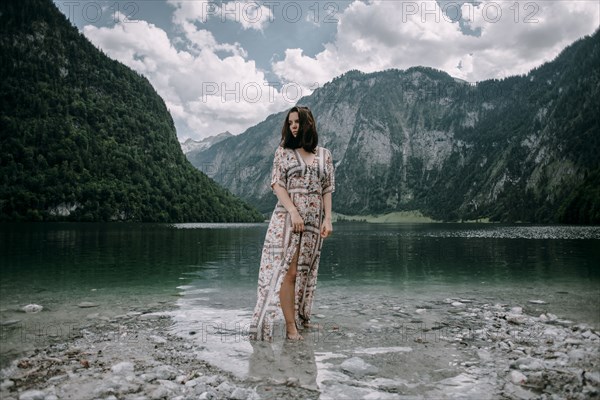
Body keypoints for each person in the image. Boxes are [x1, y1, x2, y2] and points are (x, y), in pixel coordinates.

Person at [249, 106, 335, 341]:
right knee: (290, 271)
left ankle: (301, 319)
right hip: (288, 218)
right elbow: (277, 184)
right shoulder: (283, 152)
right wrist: (293, 212)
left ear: (308, 123)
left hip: (314, 220)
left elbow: (327, 187)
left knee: (307, 271)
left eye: (297, 122)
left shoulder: (324, 155)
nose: (293, 126)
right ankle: (290, 329)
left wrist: (327, 218)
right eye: (290, 122)